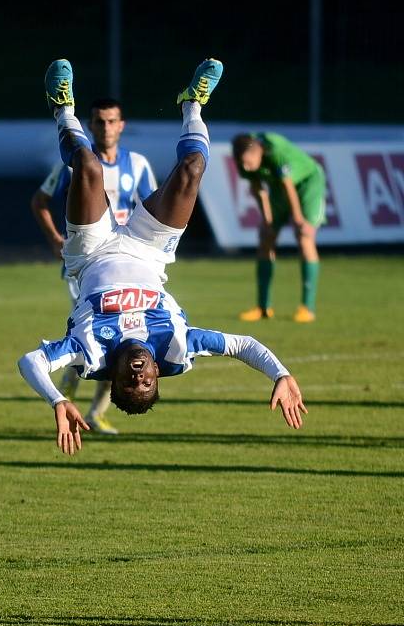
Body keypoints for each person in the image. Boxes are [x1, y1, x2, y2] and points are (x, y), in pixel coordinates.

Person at [18, 58, 307, 455]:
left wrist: (58, 399)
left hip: (91, 253)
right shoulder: (177, 345)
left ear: (113, 378)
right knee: (190, 170)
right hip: (149, 252)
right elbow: (242, 344)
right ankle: (192, 104)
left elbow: (30, 361)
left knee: (87, 166)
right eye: (147, 382)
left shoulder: (90, 351)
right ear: (158, 373)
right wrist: (280, 373)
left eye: (129, 382)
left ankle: (62, 109)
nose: (138, 376)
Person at [31, 97, 157, 435]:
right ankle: (65, 402)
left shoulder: (139, 165)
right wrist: (57, 239)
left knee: (118, 341)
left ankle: (95, 413)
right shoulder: (74, 164)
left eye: (111, 121)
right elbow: (39, 202)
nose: (106, 128)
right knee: (92, 342)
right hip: (88, 269)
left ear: (122, 125)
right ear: (90, 126)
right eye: (99, 122)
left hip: (125, 266)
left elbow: (152, 211)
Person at [231, 132, 326, 323]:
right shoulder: (244, 159)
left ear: (256, 151)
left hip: (308, 184)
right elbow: (259, 190)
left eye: (246, 161)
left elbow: (288, 184)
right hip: (279, 189)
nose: (244, 167)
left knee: (304, 237)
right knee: (266, 238)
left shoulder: (275, 149)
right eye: (240, 163)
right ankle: (263, 307)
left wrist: (298, 219)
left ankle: (307, 308)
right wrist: (266, 221)